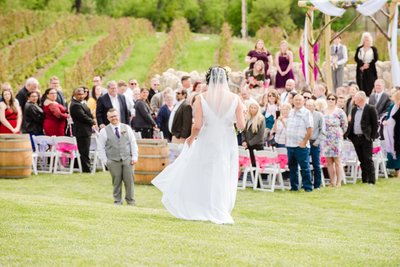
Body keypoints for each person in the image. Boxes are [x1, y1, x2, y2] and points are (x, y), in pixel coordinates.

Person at [152, 66, 246, 224]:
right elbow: (242, 126)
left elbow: (197, 125)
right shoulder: (235, 99)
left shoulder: (201, 98)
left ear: (208, 80)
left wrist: (191, 138)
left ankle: (202, 206)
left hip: (208, 138)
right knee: (223, 172)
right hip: (226, 140)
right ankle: (219, 207)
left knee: (203, 171)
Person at [98, 109, 138, 206]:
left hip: (127, 159)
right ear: (108, 118)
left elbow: (133, 142)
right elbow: (101, 147)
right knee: (116, 182)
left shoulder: (126, 128)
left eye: (115, 116)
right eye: (111, 117)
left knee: (129, 181)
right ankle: (117, 201)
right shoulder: (104, 131)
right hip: (113, 160)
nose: (114, 118)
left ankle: (131, 201)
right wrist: (106, 161)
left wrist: (134, 156)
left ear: (118, 116)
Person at [345, 91, 379, 185]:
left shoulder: (370, 108)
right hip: (356, 138)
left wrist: (372, 137)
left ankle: (371, 181)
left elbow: (375, 124)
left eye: (355, 98)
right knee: (361, 159)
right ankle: (365, 179)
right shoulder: (354, 109)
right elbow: (352, 123)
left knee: (368, 159)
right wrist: (348, 134)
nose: (353, 99)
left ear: (361, 99)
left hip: (366, 138)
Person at [286, 94, 314, 192]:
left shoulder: (306, 113)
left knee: (304, 167)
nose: (297, 102)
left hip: (301, 145)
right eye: (296, 100)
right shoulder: (291, 112)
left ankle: (308, 187)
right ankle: (294, 187)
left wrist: (304, 142)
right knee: (292, 167)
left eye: (300, 100)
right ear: (293, 101)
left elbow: (310, 129)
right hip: (290, 144)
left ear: (303, 102)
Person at [322, 93, 348, 187]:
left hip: (336, 137)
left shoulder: (340, 111)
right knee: (329, 161)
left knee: (337, 160)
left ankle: (338, 182)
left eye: (333, 99)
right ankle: (332, 181)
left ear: (335, 101)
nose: (331, 100)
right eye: (329, 99)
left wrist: (339, 133)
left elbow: (344, 125)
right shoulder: (323, 111)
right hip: (326, 138)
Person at [70, 87, 95, 173]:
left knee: (85, 150)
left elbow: (87, 113)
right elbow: (82, 116)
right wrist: (92, 121)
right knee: (84, 151)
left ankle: (84, 167)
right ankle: (86, 169)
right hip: (82, 131)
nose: (81, 96)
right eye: (79, 94)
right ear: (74, 94)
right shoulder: (75, 104)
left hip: (85, 130)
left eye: (82, 94)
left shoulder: (81, 103)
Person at [305, 98, 326, 189]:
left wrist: (317, 142)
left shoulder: (319, 115)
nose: (309, 107)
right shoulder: (303, 115)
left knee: (316, 164)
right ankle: (306, 183)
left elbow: (323, 131)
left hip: (314, 143)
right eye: (307, 105)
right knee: (305, 164)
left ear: (314, 106)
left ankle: (317, 185)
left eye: (311, 105)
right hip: (305, 143)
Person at [241, 100, 266, 167]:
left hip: (257, 146)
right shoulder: (247, 118)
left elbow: (260, 135)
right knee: (249, 166)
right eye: (251, 107)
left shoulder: (261, 119)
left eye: (255, 108)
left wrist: (249, 143)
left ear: (258, 109)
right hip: (248, 146)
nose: (253, 109)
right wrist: (244, 141)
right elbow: (243, 131)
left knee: (257, 166)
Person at [355, 32, 378, 96]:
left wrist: (368, 65)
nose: (366, 41)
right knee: (361, 84)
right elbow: (356, 58)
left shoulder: (373, 49)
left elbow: (376, 58)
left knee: (370, 84)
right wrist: (362, 64)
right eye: (365, 39)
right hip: (361, 69)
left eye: (367, 39)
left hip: (370, 69)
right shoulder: (359, 49)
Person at [383, 91, 400, 177]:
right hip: (393, 131)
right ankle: (396, 170)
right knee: (395, 149)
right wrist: (385, 121)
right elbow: (389, 116)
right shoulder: (392, 106)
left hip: (397, 130)